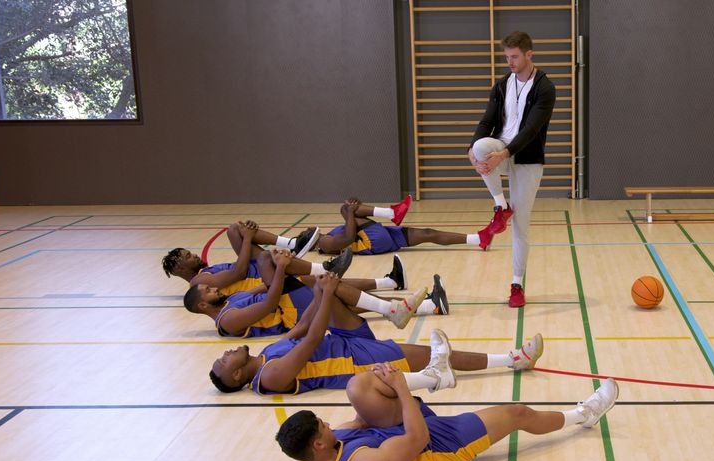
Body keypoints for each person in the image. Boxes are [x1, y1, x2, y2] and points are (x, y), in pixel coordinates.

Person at [275, 365, 618, 461]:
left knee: (359, 386)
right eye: (323, 425)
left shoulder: (316, 457)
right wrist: (399, 388)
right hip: (437, 445)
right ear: (318, 444)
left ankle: (436, 372)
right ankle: (585, 414)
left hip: (400, 432)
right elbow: (418, 440)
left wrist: (382, 392)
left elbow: (360, 422)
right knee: (517, 413)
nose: (329, 424)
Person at [209, 274, 544, 395]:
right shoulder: (269, 377)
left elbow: (300, 328)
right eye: (224, 361)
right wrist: (322, 297)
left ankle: (391, 310)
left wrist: (321, 291)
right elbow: (310, 339)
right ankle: (515, 360)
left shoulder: (266, 355)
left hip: (344, 340)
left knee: (329, 283)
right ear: (237, 375)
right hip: (355, 361)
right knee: (430, 356)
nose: (226, 353)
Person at [468, 31, 556, 307]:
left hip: (526, 158)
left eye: (515, 57)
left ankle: (517, 284)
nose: (510, 62)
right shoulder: (502, 85)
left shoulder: (545, 88)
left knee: (521, 226)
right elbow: (487, 120)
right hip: (502, 149)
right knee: (482, 146)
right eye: (507, 57)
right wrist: (471, 151)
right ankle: (499, 206)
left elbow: (531, 130)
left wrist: (504, 153)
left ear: (529, 54)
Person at [184, 250, 428, 336]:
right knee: (268, 259)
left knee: (339, 294)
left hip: (285, 301)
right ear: (203, 306)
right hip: (287, 314)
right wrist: (280, 270)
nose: (214, 288)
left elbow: (259, 291)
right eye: (208, 291)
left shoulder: (229, 301)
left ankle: (426, 305)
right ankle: (392, 307)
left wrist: (275, 279)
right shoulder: (227, 319)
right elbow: (268, 305)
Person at [161, 220, 358, 296]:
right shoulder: (199, 281)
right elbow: (239, 272)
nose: (195, 255)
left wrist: (245, 236)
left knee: (234, 229)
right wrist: (247, 239)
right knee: (340, 286)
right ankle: (324, 269)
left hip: (255, 268)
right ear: (180, 269)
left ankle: (293, 244)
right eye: (189, 256)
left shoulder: (204, 274)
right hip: (262, 276)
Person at [293, 197, 490, 255]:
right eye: (304, 232)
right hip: (371, 242)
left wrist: (356, 206)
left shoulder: (326, 237)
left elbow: (354, 227)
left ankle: (478, 240)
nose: (307, 228)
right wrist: (350, 213)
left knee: (427, 233)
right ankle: (392, 213)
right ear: (308, 241)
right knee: (345, 208)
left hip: (380, 236)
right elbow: (347, 239)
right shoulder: (324, 244)